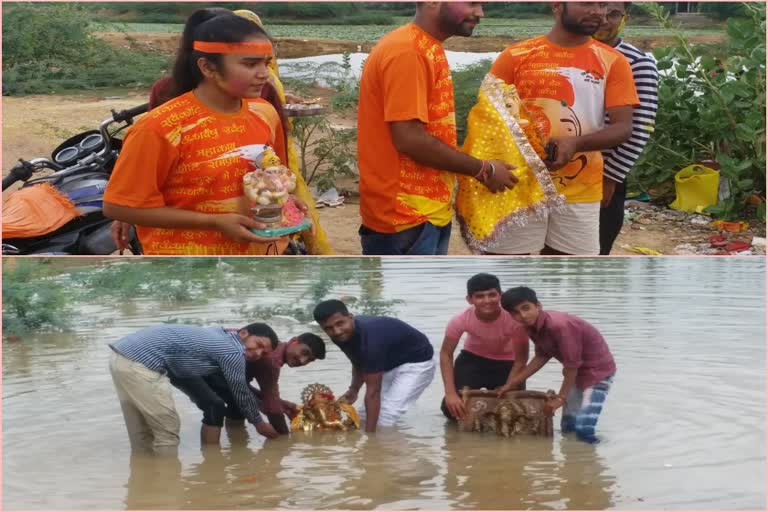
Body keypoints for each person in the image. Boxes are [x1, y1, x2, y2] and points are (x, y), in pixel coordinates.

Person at [104, 11, 299, 255]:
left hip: (262, 259)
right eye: (250, 64)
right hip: (191, 270)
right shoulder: (160, 128)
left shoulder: (265, 113)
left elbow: (273, 176)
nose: (264, 74)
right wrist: (214, 222)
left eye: (266, 63)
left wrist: (286, 202)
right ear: (207, 67)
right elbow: (117, 207)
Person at [356, 2, 518, 255]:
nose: (480, 13)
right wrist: (483, 169)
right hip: (404, 216)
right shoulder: (407, 51)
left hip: (426, 212)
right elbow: (410, 139)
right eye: (473, 3)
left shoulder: (427, 46)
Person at [485, 2, 639, 255]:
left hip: (580, 190)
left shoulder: (614, 61)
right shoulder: (514, 56)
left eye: (602, 5)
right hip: (518, 186)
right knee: (506, 268)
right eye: (587, 3)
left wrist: (575, 143)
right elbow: (488, 119)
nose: (598, 12)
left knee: (571, 277)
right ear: (556, 5)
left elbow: (623, 128)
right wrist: (489, 168)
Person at [108, 323, 282, 455]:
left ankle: (143, 486)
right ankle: (166, 490)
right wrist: (259, 423)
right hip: (140, 364)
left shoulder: (221, 332)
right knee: (167, 432)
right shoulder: (234, 351)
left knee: (141, 433)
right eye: (258, 344)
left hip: (120, 357)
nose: (258, 353)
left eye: (264, 353)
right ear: (243, 333)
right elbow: (241, 392)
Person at [498, 287, 616, 444]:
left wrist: (560, 398)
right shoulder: (531, 327)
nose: (523, 316)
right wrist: (512, 384)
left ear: (538, 305)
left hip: (598, 374)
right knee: (568, 426)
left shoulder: (560, 326)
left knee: (584, 430)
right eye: (516, 313)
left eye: (526, 308)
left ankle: (592, 460)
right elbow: (542, 355)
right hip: (575, 374)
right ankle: (571, 461)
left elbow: (571, 366)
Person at [171, 332, 326, 442]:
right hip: (194, 366)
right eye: (304, 352)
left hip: (215, 372)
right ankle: (212, 461)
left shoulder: (273, 348)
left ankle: (236, 448)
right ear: (294, 341)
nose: (302, 360)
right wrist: (284, 438)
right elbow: (271, 407)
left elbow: (242, 385)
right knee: (217, 406)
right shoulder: (272, 359)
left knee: (238, 405)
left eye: (309, 359)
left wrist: (282, 404)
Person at [594, 2, 659, 254]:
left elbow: (642, 126)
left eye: (613, 14)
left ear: (625, 19)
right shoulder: (569, 55)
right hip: (562, 170)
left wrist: (610, 177)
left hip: (604, 171)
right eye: (599, 11)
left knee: (597, 247)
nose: (604, 20)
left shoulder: (638, 62)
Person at [312, 300, 435, 432]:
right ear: (322, 328)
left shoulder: (370, 340)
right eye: (328, 328)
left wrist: (370, 440)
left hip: (417, 364)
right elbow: (358, 361)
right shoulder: (341, 335)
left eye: (340, 323)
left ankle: (383, 449)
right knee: (363, 417)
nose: (336, 331)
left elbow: (373, 392)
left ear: (351, 317)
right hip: (389, 362)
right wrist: (354, 390)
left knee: (385, 417)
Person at [440, 273, 530, 421]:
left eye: (492, 295)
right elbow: (445, 353)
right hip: (472, 360)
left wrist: (510, 385)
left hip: (508, 364)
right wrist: (450, 393)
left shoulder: (514, 319)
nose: (487, 301)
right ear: (470, 300)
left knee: (514, 413)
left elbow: (522, 359)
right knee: (452, 410)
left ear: (500, 295)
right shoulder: (460, 319)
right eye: (480, 296)